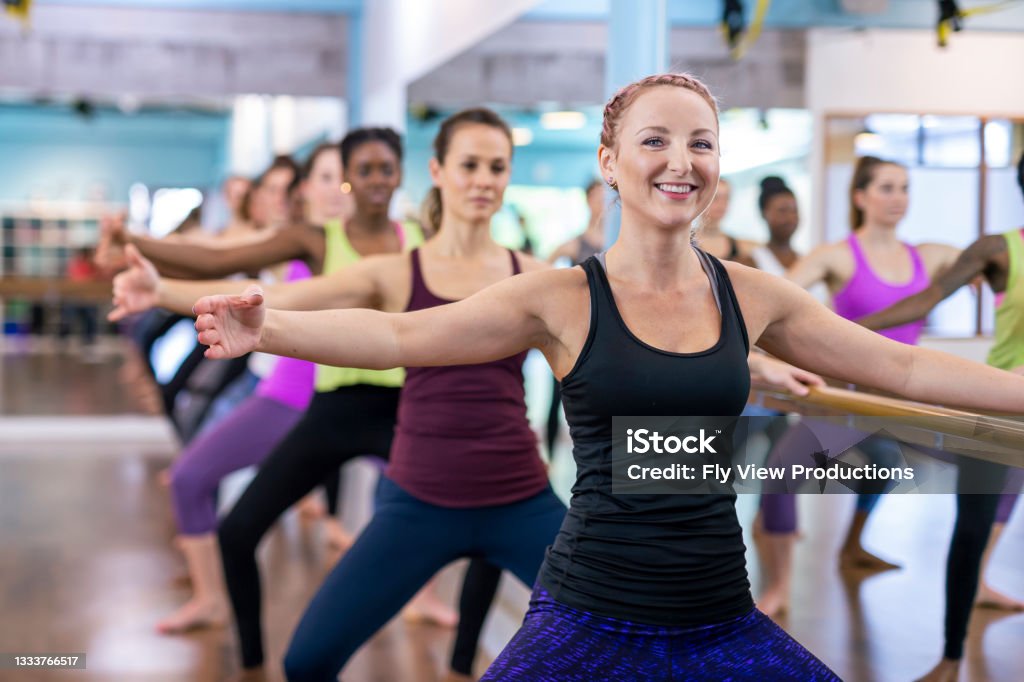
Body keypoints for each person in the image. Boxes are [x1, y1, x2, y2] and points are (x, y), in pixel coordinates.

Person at [191, 73, 1024, 681]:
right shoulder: (559, 297)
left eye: (700, 142)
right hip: (589, 614)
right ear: (610, 161)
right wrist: (272, 327)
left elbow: (906, 368)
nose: (680, 160)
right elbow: (400, 332)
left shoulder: (751, 294)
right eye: (655, 140)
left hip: (718, 619)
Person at [111, 126, 499, 678]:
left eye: (387, 169)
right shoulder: (319, 239)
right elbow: (232, 257)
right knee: (239, 529)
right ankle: (251, 662)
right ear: (347, 177)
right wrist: (142, 251)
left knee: (485, 514)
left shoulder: (420, 238)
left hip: (407, 410)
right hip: (331, 407)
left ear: (400, 175)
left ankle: (460, 662)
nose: (376, 180)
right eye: (364, 169)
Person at [108, 144, 347, 635]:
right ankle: (211, 597)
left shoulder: (374, 248)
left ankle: (417, 591)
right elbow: (218, 255)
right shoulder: (299, 241)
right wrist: (141, 248)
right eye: (324, 178)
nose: (337, 190)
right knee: (190, 476)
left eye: (345, 179)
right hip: (285, 394)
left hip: (339, 400)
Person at [754, 155, 962, 617]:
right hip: (845, 399)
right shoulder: (837, 255)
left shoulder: (929, 255)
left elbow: (995, 262)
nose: (898, 198)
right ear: (860, 196)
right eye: (887, 188)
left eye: (905, 188)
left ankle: (853, 548)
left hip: (904, 400)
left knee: (894, 465)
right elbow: (773, 301)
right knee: (781, 475)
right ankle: (780, 588)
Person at [855, 150, 1024, 682]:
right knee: (972, 529)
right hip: (1000, 406)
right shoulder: (999, 248)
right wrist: (848, 334)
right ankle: (951, 659)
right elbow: (926, 298)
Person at [544, 179, 607, 459]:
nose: (600, 201)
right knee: (557, 397)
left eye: (604, 196)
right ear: (587, 200)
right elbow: (544, 269)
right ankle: (549, 458)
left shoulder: (618, 242)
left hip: (608, 332)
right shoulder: (575, 243)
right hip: (574, 333)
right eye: (595, 196)